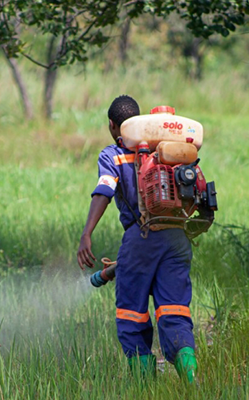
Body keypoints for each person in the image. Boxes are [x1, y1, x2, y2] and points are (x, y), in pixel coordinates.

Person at [77, 95, 197, 383]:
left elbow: (104, 191)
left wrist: (87, 233)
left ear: (112, 125)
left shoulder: (113, 155)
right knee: (174, 310)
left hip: (140, 236)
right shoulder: (166, 150)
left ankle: (144, 386)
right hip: (178, 238)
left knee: (132, 315)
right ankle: (191, 380)